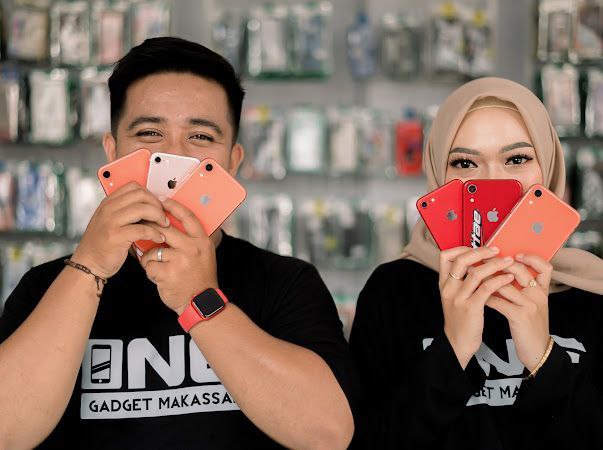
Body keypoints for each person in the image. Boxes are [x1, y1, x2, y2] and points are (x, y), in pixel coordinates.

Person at [0, 37, 356, 450]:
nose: (174, 156)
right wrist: (89, 266)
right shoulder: (44, 286)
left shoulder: (285, 282)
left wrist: (199, 300)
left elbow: (327, 435)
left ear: (233, 162)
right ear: (112, 153)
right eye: (149, 132)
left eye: (201, 137)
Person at [349, 77, 603, 449]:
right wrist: (452, 349)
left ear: (548, 167)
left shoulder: (592, 291)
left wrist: (543, 356)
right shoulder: (393, 291)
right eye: (465, 163)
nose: (491, 181)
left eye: (517, 159)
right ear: (439, 173)